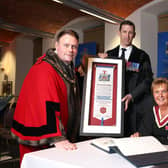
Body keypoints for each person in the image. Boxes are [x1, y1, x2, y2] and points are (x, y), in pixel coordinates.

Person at [11, 29, 81, 163]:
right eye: (66, 45)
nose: (70, 50)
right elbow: (47, 104)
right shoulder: (44, 69)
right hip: (41, 140)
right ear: (57, 46)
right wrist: (58, 138)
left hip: (62, 135)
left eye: (74, 46)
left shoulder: (67, 67)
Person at [98, 20, 153, 136]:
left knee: (132, 142)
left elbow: (147, 81)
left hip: (135, 107)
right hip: (113, 108)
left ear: (134, 35)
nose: (127, 36)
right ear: (119, 33)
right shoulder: (109, 54)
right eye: (124, 32)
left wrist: (132, 95)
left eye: (130, 33)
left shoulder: (142, 56)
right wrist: (99, 62)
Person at [131, 78, 168, 145]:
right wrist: (137, 137)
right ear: (153, 95)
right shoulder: (150, 113)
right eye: (157, 92)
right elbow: (143, 136)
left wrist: (151, 139)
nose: (160, 95)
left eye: (164, 91)